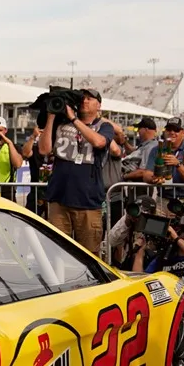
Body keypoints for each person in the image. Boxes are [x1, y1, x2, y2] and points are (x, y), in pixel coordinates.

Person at [38, 88, 115, 253]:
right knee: (56, 251)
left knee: (89, 254)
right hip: (59, 197)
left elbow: (99, 142)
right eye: (83, 98)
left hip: (88, 200)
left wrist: (73, 118)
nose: (85, 101)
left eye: (90, 98)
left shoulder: (105, 126)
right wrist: (51, 116)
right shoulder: (61, 123)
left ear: (99, 105)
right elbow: (44, 150)